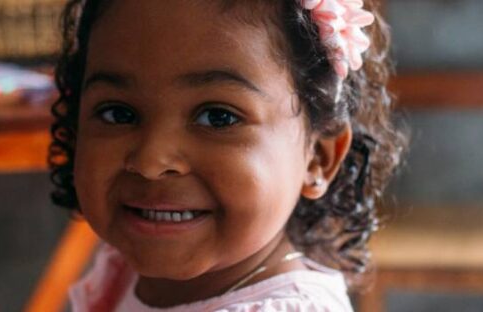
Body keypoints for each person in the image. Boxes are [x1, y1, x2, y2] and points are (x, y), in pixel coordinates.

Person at [48, 0, 406, 310]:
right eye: (118, 113)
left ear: (318, 159)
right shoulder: (124, 272)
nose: (151, 161)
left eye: (218, 117)